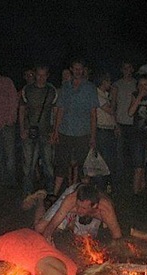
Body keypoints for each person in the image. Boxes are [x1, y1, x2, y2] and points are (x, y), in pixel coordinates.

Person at [51, 59, 98, 195]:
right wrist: (55, 131)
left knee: (83, 166)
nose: (78, 71)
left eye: (80, 69)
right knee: (61, 164)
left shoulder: (90, 88)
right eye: (75, 68)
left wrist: (93, 136)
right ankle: (54, 194)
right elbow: (60, 110)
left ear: (83, 70)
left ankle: (85, 195)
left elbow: (93, 114)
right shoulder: (66, 87)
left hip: (83, 133)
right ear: (71, 69)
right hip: (65, 131)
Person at [26, 183, 122, 241]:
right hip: (72, 198)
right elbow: (53, 224)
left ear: (94, 206)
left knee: (85, 239)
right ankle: (40, 198)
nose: (79, 210)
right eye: (78, 206)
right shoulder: (71, 199)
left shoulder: (105, 209)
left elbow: (117, 235)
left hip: (94, 210)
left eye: (83, 208)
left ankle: (70, 224)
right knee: (39, 228)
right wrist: (46, 240)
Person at [19, 65, 57, 196]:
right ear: (35, 75)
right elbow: (22, 110)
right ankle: (27, 192)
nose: (41, 78)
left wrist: (54, 131)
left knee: (48, 164)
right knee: (28, 164)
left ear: (47, 75)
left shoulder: (52, 90)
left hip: (46, 132)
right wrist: (22, 129)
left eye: (43, 75)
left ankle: (50, 191)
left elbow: (55, 112)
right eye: (39, 75)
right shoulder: (27, 89)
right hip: (30, 131)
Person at [111, 61, 138, 186]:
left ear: (132, 69)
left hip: (134, 124)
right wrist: (115, 124)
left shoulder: (137, 84)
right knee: (119, 153)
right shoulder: (116, 85)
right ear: (122, 70)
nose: (127, 70)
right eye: (124, 68)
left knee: (133, 153)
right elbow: (113, 105)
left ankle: (133, 179)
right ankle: (119, 180)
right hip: (121, 123)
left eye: (129, 68)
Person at [93, 72, 117, 193]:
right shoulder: (98, 95)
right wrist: (114, 96)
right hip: (102, 131)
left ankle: (106, 185)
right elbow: (111, 110)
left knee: (109, 159)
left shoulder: (105, 95)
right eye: (108, 81)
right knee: (103, 159)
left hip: (108, 130)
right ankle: (101, 186)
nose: (110, 84)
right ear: (103, 82)